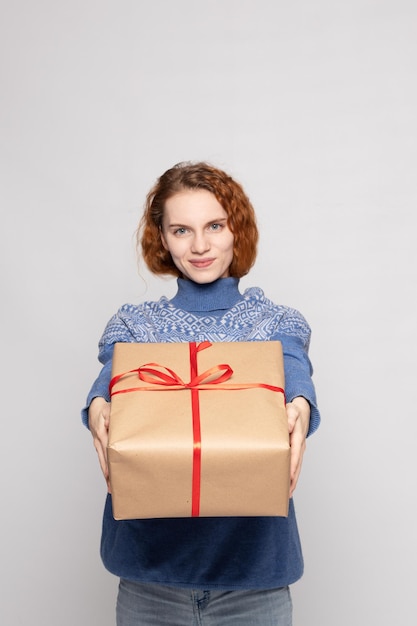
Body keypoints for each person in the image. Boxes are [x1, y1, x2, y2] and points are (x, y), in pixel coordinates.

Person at [82, 161, 320, 626]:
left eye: (215, 225)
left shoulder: (274, 321)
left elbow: (293, 365)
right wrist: (97, 403)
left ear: (237, 229)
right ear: (163, 240)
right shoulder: (137, 324)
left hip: (253, 581)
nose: (200, 245)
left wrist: (300, 402)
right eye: (181, 230)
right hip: (150, 580)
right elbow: (114, 374)